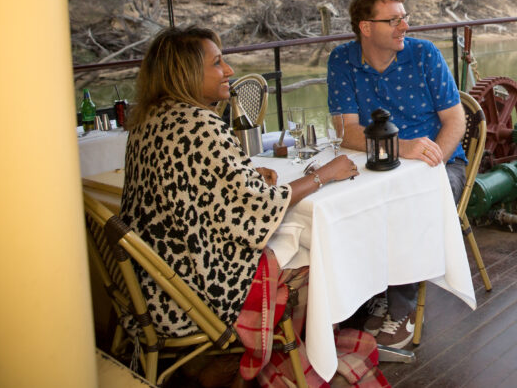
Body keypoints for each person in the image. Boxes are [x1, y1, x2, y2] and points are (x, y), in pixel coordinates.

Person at [120, 26, 386, 388]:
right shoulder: (200, 125)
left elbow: (196, 187)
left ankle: (259, 353)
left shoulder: (150, 120)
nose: (229, 70)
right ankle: (271, 357)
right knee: (319, 257)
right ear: (185, 73)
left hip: (153, 284)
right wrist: (324, 174)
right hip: (195, 294)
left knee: (299, 242)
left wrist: (243, 173)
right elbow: (260, 207)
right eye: (217, 63)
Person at [327, 0, 467, 349]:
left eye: (405, 17)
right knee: (341, 206)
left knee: (409, 206)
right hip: (376, 168)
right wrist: (400, 148)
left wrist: (433, 165)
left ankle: (401, 307)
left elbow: (456, 121)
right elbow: (345, 131)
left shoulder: (424, 54)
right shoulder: (342, 60)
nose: (404, 25)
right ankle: (366, 293)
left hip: (439, 168)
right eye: (394, 20)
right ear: (365, 27)